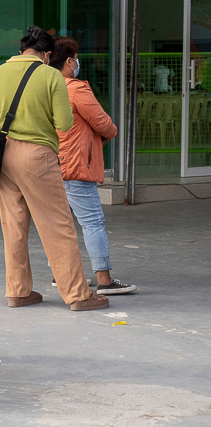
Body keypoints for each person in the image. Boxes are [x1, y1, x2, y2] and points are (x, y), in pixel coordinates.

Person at [0, 25, 109, 311]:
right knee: (58, 225)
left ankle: (18, 291)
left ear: (21, 50)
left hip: (5, 155)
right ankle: (78, 295)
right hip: (38, 156)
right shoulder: (50, 76)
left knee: (13, 226)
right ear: (47, 55)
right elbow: (63, 123)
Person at [50, 36, 137, 295]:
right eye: (76, 58)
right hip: (77, 163)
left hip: (52, 163)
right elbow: (103, 123)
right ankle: (104, 279)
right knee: (92, 221)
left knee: (59, 222)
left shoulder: (46, 87)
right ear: (68, 61)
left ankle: (61, 275)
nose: (78, 63)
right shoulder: (76, 89)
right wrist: (110, 131)